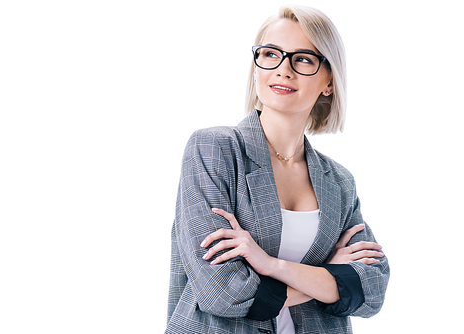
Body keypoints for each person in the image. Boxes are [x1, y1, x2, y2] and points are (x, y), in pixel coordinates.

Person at [165, 5, 389, 334]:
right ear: (255, 69)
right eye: (271, 54)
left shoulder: (339, 182)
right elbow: (222, 292)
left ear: (329, 81)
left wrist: (272, 266)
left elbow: (370, 289)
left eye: (303, 59)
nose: (284, 69)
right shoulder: (214, 149)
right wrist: (327, 278)